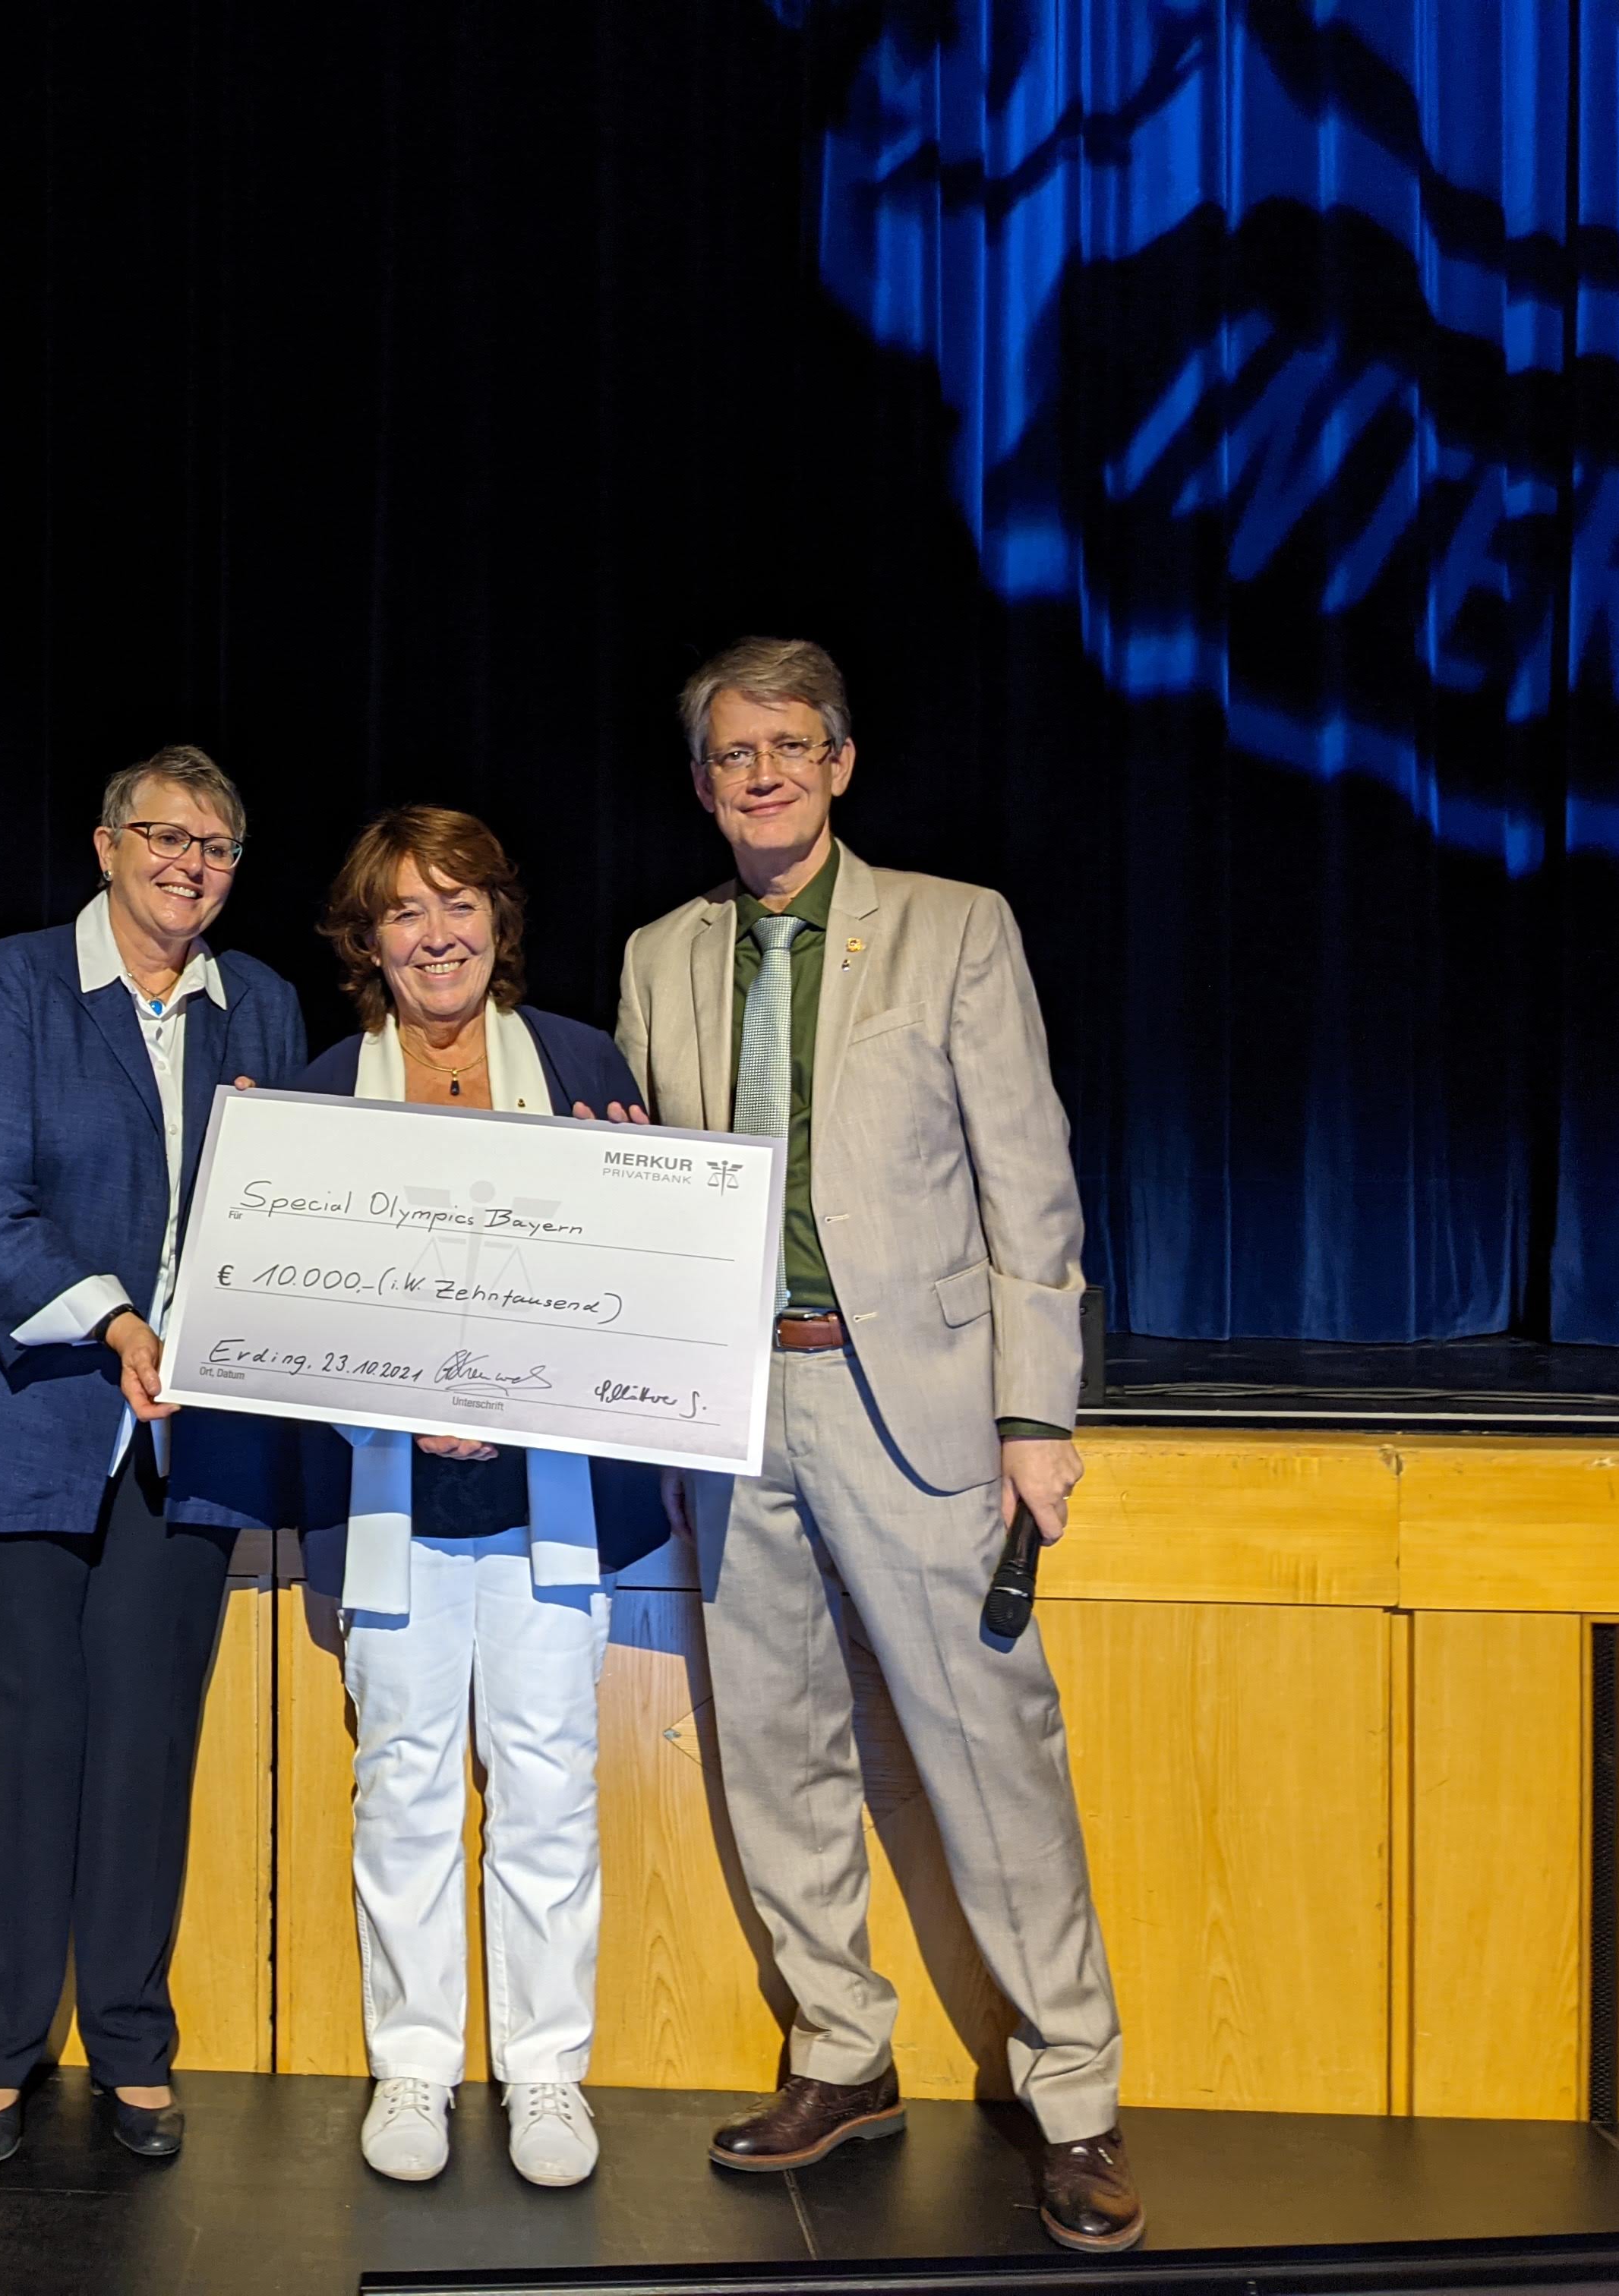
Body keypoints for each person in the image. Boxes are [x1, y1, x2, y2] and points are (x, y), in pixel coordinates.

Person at [614, 637, 1135, 2252]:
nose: (761, 775)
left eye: (789, 746)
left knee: (994, 1759)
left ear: (840, 764)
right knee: (776, 1750)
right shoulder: (658, 952)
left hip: (910, 1409)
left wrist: (1036, 1415)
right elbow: (665, 1175)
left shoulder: (954, 927)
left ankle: (1077, 2097)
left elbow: (1028, 1181)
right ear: (702, 781)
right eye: (732, 754)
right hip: (731, 1400)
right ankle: (844, 2052)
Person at [0, 747, 307, 2165]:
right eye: (163, 835)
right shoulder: (17, 984)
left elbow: (285, 1208)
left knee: (148, 1737)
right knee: (22, 1736)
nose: (189, 862)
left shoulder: (255, 1000)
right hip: (29, 1413)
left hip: (185, 1433)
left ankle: (133, 2041)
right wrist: (117, 1317)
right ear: (103, 844)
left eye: (216, 844)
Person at [297, 806, 671, 2191]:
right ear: (368, 940)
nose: (434, 935)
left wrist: (643, 1200)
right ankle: (411, 2067)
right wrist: (389, 1402)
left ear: (500, 922)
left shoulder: (579, 1063)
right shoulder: (331, 1084)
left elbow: (640, 1286)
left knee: (548, 1789)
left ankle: (545, 2074)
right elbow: (300, 1301)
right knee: (397, 1785)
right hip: (394, 1502)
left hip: (550, 1504)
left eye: (458, 906)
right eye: (404, 912)